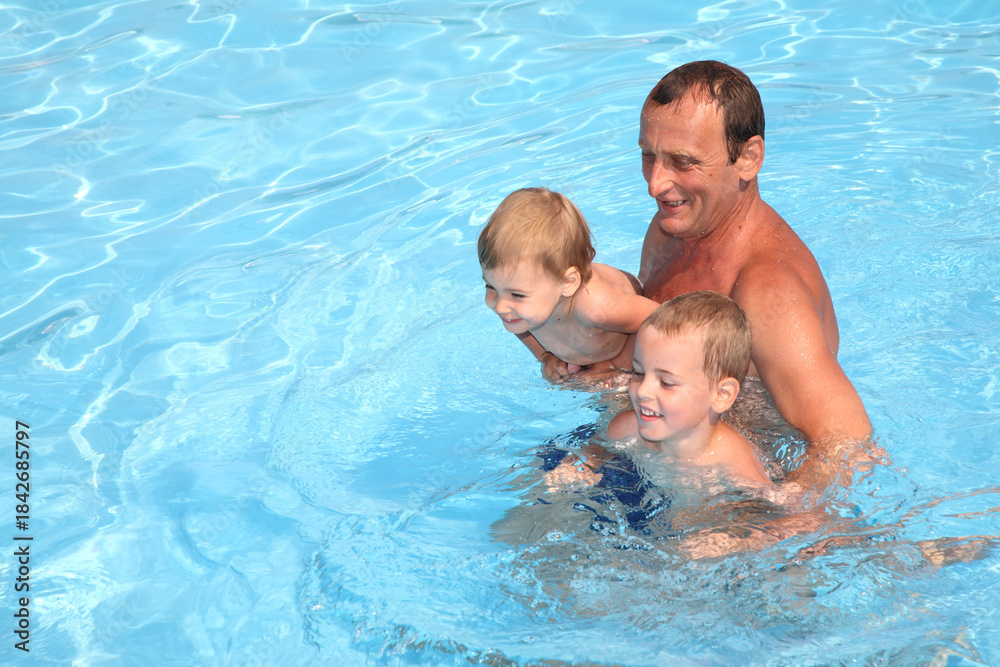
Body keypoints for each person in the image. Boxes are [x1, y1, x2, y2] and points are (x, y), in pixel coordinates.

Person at [635, 60, 873, 489]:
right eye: (649, 156)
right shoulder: (672, 229)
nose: (655, 184)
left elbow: (848, 445)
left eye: (682, 162)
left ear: (748, 158)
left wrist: (776, 522)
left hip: (730, 491)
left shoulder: (768, 292)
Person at [478, 187, 658, 381]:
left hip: (623, 349)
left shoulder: (598, 308)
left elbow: (658, 320)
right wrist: (545, 356)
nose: (500, 306)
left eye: (517, 294)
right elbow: (517, 325)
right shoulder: (518, 306)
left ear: (567, 282)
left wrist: (617, 365)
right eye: (490, 287)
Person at [606, 290, 771, 485]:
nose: (642, 390)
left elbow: (776, 499)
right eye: (639, 373)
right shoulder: (625, 429)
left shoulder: (733, 462)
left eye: (666, 383)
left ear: (721, 395)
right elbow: (594, 455)